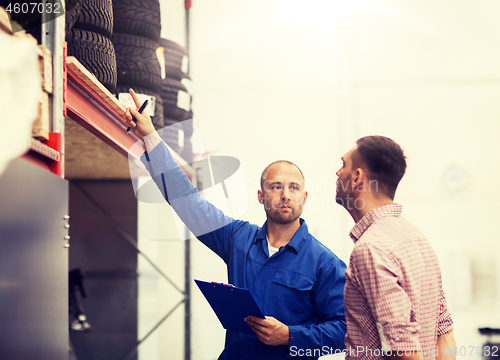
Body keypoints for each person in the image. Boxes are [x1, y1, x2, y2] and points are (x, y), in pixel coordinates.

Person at [123, 89, 347, 360]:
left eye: (294, 187)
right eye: (276, 187)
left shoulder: (324, 263)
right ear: (261, 196)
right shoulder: (237, 239)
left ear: (305, 197)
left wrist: (290, 335)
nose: (286, 194)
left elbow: (345, 331)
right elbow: (187, 203)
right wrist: (151, 136)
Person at [335, 135, 456, 360]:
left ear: (357, 177)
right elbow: (444, 333)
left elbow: (405, 351)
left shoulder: (370, 249)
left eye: (343, 165)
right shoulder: (416, 237)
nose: (337, 172)